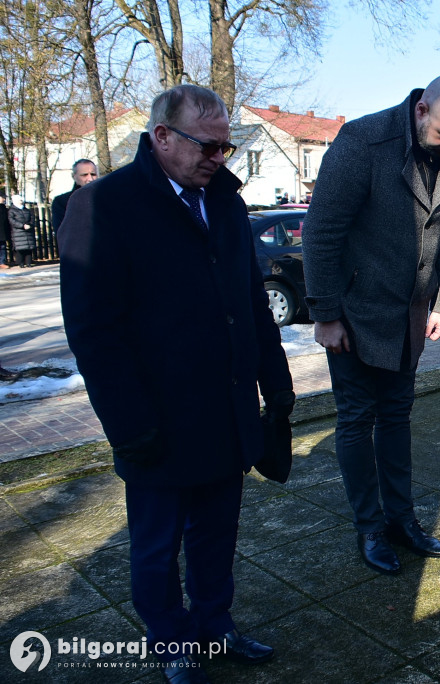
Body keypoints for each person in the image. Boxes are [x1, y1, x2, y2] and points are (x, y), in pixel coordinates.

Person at [59, 84, 294, 683]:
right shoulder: (105, 206)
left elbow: (250, 302)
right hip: (157, 421)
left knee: (217, 538)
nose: (220, 159)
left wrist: (278, 385)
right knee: (157, 549)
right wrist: (130, 426)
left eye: (226, 148)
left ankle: (216, 627)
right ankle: (171, 644)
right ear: (161, 136)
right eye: (207, 147)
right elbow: (94, 332)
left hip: (227, 411)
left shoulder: (227, 202)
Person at [301, 75, 440, 574]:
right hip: (355, 314)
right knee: (357, 420)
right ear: (421, 109)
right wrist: (325, 315)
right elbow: (321, 231)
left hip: (410, 314)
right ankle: (370, 526)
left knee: (398, 417)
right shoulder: (363, 141)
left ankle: (402, 520)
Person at [51, 158, 98, 232]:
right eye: (84, 175)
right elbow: (62, 231)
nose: (90, 179)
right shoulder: (62, 202)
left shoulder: (106, 198)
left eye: (93, 174)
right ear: (74, 176)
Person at [7, 194, 36, 268]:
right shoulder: (12, 211)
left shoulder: (27, 210)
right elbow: (12, 221)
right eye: (20, 200)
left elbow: (32, 218)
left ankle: (29, 262)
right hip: (18, 232)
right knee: (20, 249)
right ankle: (21, 263)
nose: (21, 201)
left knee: (29, 248)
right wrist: (22, 226)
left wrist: (29, 225)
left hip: (28, 231)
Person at [0, 193, 9, 268]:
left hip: (2, 231)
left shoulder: (3, 207)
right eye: (2, 197)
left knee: (3, 247)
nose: (4, 199)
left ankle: (2, 262)